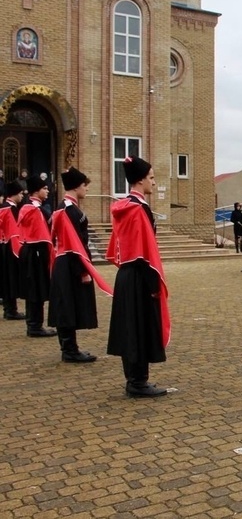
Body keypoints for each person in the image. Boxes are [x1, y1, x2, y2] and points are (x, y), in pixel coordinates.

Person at [106, 156, 170, 397]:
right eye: (151, 178)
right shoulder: (139, 208)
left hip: (126, 274)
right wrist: (154, 282)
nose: (153, 183)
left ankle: (133, 378)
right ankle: (138, 382)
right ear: (140, 179)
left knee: (130, 325)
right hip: (140, 273)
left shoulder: (123, 206)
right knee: (140, 325)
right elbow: (145, 248)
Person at [48, 167, 113, 363]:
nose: (86, 189)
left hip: (65, 260)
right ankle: (69, 349)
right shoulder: (70, 211)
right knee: (67, 304)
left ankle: (69, 347)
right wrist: (83, 270)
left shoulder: (63, 208)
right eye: (85, 185)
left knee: (66, 303)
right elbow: (75, 243)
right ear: (77, 186)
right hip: (70, 260)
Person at [17, 175, 55, 337]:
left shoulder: (28, 207)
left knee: (33, 288)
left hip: (29, 250)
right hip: (36, 250)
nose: (47, 191)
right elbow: (43, 234)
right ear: (36, 191)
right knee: (36, 289)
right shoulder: (35, 210)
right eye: (44, 188)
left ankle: (33, 324)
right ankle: (35, 325)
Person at [0, 181, 27, 323]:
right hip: (11, 246)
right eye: (21, 193)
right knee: (10, 278)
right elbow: (14, 231)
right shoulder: (11, 209)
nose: (22, 195)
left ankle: (9, 308)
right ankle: (11, 310)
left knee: (7, 278)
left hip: (4, 245)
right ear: (14, 194)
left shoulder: (4, 207)